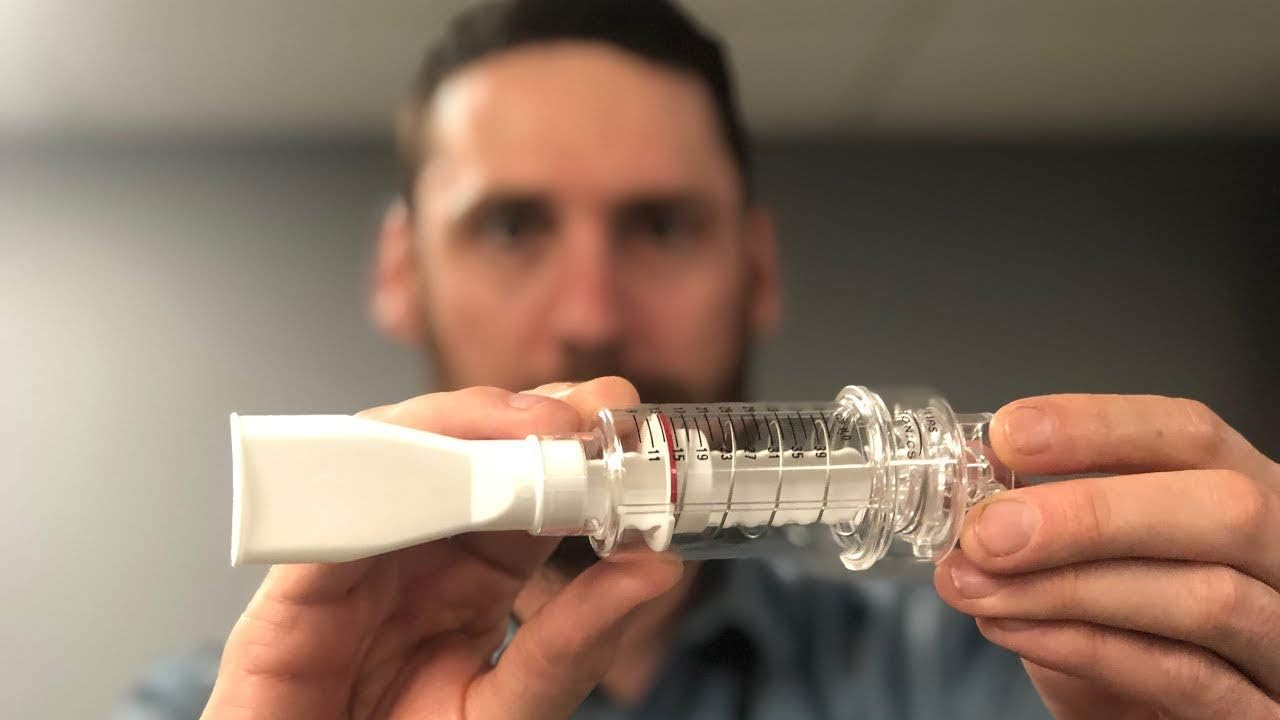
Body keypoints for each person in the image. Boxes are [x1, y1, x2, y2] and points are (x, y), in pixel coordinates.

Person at [119, 1, 1280, 718]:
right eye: (511, 227)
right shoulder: (230, 709)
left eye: (661, 226)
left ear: (755, 265)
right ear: (398, 269)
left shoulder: (1006, 679)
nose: (589, 318)